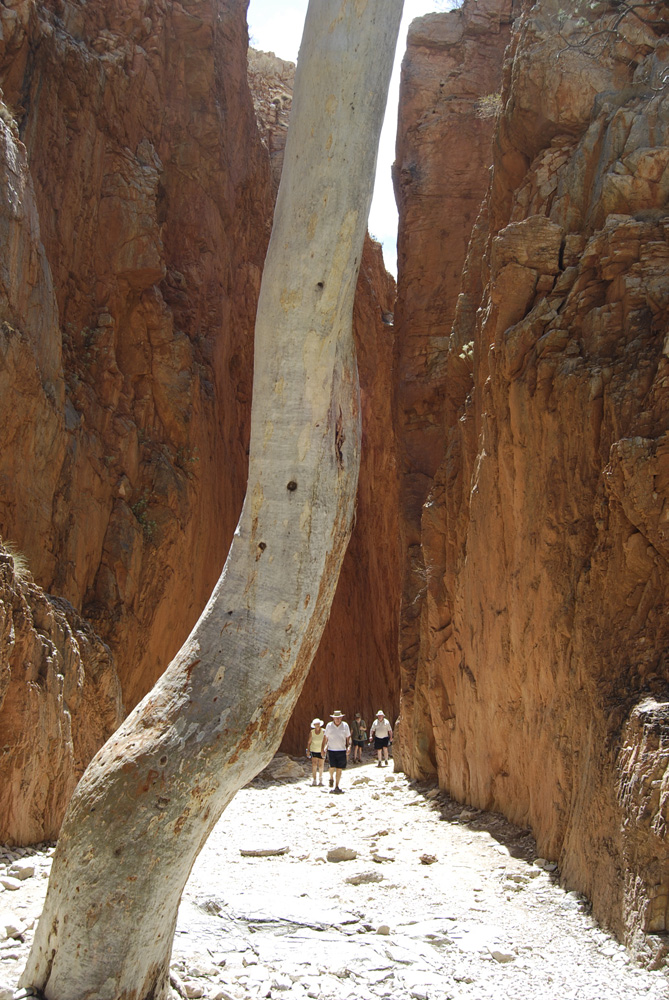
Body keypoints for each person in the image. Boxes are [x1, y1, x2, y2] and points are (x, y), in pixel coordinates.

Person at [324, 710, 351, 793]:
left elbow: (348, 737)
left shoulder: (345, 726)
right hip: (331, 749)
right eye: (336, 718)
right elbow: (325, 737)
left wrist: (349, 746)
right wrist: (324, 747)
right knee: (331, 767)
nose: (338, 719)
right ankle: (331, 777)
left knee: (339, 769)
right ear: (333, 718)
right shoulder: (329, 726)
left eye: (339, 718)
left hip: (342, 750)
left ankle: (336, 786)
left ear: (341, 718)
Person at [306, 719, 326, 786]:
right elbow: (309, 742)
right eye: (315, 724)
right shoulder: (312, 732)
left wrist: (324, 749)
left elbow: (326, 740)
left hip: (321, 750)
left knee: (321, 765)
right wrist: (308, 750)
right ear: (314, 725)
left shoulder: (323, 731)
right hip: (313, 749)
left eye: (318, 724)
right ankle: (314, 780)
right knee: (314, 765)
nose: (317, 725)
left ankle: (320, 780)